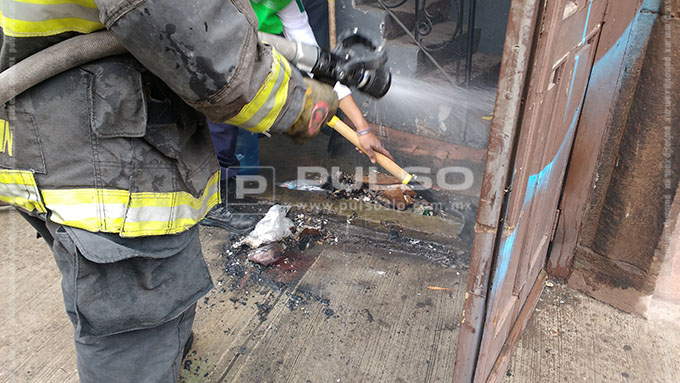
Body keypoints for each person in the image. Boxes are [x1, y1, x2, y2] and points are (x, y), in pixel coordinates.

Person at [0, 0, 337, 381]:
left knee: (152, 291)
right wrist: (300, 104)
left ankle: (165, 348)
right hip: (109, 162)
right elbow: (201, 44)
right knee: (133, 331)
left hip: (60, 137)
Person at [201, 0, 393, 232]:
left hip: (248, 67)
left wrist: (363, 129)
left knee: (245, 136)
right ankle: (210, 205)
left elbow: (320, 66)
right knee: (217, 129)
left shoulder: (286, 2)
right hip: (206, 63)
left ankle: (235, 194)